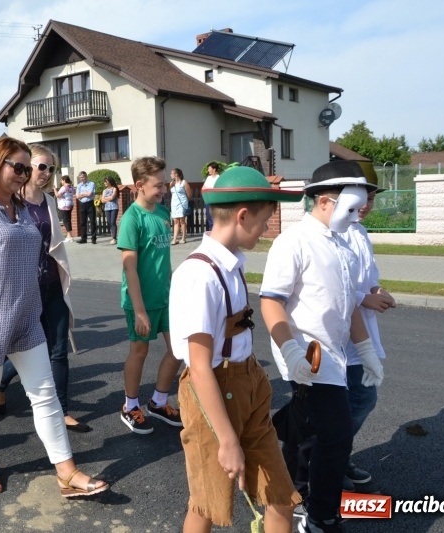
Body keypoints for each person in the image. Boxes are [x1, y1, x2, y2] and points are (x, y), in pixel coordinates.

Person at [0, 136, 108, 497]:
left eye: (27, 168)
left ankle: (67, 471)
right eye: (18, 167)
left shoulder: (20, 206)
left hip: (28, 317)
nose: (24, 174)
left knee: (45, 394)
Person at [171, 165, 304, 532]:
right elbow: (199, 367)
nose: (266, 230)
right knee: (208, 505)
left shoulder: (232, 265)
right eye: (265, 221)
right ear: (243, 216)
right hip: (212, 392)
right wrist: (227, 439)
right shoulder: (198, 276)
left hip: (247, 384)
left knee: (281, 496)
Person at [259, 160, 385, 533]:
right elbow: (270, 301)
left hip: (338, 354)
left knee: (318, 431)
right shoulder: (293, 242)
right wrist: (291, 351)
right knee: (335, 434)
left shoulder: (342, 244)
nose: (358, 213)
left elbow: (349, 308)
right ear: (326, 201)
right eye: (352, 206)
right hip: (309, 359)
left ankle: (302, 500)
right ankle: (318, 516)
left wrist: (366, 352)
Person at [0, 144, 89, 432]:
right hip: (26, 291)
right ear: (25, 169)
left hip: (52, 285)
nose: (47, 173)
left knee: (58, 350)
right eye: (41, 166)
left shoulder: (49, 201)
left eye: (51, 168)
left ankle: (61, 409)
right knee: (30, 349)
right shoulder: (11, 202)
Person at [117, 156, 182, 434]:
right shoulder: (132, 218)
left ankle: (158, 401)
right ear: (139, 185)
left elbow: (164, 261)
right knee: (140, 351)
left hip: (167, 298)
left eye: (165, 184)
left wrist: (177, 290)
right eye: (158, 186)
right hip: (140, 301)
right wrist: (140, 310)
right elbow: (130, 268)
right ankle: (130, 406)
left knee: (178, 349)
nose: (164, 190)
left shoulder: (163, 214)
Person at [341, 163, 396, 491]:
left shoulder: (360, 233)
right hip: (340, 338)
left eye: (371, 198)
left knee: (359, 399)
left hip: (360, 332)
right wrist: (365, 297)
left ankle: (333, 455)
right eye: (361, 196)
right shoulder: (334, 233)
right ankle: (321, 461)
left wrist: (376, 291)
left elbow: (365, 278)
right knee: (359, 399)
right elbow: (335, 285)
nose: (366, 204)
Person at [170, 168, 192, 245]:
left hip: (182, 204)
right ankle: (175, 238)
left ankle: (183, 238)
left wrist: (186, 202)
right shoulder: (172, 183)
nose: (171, 175)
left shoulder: (183, 182)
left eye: (172, 173)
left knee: (182, 221)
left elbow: (189, 194)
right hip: (174, 204)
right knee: (175, 221)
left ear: (176, 174)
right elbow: (172, 193)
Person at [75, 171, 96, 244]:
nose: (82, 179)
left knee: (92, 221)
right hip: (82, 204)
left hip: (90, 203)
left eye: (83, 177)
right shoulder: (79, 186)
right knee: (82, 222)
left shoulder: (91, 184)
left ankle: (93, 238)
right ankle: (83, 238)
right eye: (80, 178)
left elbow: (90, 194)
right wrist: (85, 194)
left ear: (86, 176)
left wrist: (82, 194)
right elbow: (77, 196)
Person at [54, 175, 75, 242]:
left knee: (66, 221)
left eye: (62, 180)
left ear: (64, 180)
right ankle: (70, 235)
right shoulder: (71, 187)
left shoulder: (64, 188)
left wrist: (54, 189)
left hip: (64, 205)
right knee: (68, 220)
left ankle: (69, 236)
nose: (61, 182)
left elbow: (58, 195)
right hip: (70, 204)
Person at [101, 176, 119, 245]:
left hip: (114, 207)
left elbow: (112, 197)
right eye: (104, 181)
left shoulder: (114, 189)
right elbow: (102, 200)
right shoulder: (104, 190)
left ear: (109, 181)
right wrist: (107, 198)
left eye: (106, 181)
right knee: (109, 222)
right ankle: (112, 236)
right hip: (107, 208)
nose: (105, 183)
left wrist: (106, 198)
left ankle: (114, 238)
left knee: (113, 222)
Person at [203, 162, 220, 231]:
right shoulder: (208, 178)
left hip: (215, 200)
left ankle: (216, 231)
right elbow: (204, 188)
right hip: (208, 199)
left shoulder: (218, 178)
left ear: (214, 169)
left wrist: (209, 190)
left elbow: (216, 189)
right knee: (209, 217)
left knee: (215, 217)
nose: (208, 170)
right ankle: (211, 231)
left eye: (209, 168)